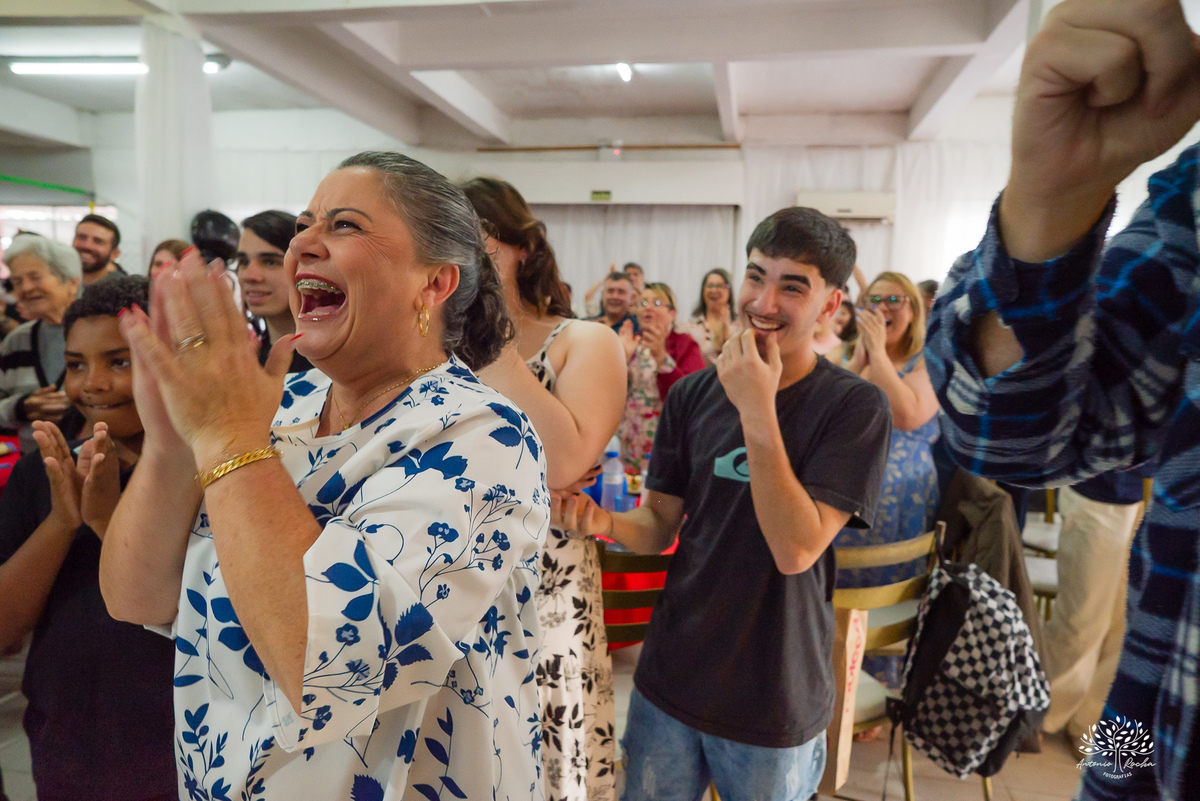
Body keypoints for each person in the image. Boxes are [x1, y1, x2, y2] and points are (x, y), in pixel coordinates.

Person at [99, 151, 549, 800]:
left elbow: (328, 666)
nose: (303, 244)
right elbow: (133, 597)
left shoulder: (480, 435)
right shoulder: (277, 404)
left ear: (435, 282)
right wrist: (175, 443)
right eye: (305, 223)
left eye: (343, 225)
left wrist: (226, 437)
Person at [922, 1, 1200, 797]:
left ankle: (1082, 719)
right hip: (1102, 500)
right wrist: (1047, 198)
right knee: (1089, 621)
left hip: (1129, 509)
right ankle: (1066, 717)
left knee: (1112, 627)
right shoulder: (1193, 202)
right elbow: (1017, 433)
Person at [555, 207, 891, 801]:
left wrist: (757, 407)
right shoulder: (691, 395)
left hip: (775, 689)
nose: (763, 301)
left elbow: (796, 549)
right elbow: (660, 523)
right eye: (756, 276)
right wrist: (603, 520)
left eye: (793, 286)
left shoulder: (854, 408)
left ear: (830, 305)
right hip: (672, 675)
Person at [462, 176, 627, 801]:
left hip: (545, 583)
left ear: (521, 249)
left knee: (549, 757)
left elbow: (563, 464)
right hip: (448, 576)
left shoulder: (584, 340)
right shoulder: (424, 348)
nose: (459, 259)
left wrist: (486, 334)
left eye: (476, 242)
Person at [0, 275, 176, 801]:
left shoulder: (203, 475)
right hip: (68, 742)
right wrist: (61, 520)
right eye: (76, 364)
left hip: (180, 747)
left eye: (119, 362)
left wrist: (111, 519)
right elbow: (6, 627)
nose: (92, 384)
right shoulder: (45, 472)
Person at [838, 272, 940, 689]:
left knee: (883, 585)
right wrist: (861, 359)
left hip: (904, 493)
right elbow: (829, 413)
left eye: (893, 300)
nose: (882, 309)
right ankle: (831, 675)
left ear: (913, 310)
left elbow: (910, 414)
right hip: (848, 489)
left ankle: (876, 685)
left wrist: (878, 355)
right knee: (841, 582)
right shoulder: (856, 357)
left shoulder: (927, 360)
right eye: (873, 301)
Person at [1042, 470, 1147, 742]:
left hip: (1159, 498)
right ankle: (1042, 716)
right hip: (1100, 489)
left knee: (1125, 625)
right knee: (1081, 621)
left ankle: (1089, 723)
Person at [0, 234, 82, 450]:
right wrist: (20, 408)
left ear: (71, 283)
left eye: (35, 277)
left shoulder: (99, 336)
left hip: (98, 468)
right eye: (17, 281)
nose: (25, 288)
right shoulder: (17, 342)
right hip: (33, 472)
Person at [618, 282, 705, 473]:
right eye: (642, 303)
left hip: (667, 440)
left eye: (657, 303)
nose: (648, 307)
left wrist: (661, 357)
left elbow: (692, 399)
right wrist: (621, 358)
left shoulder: (685, 344)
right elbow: (612, 395)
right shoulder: (630, 342)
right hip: (630, 438)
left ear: (672, 314)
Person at [236, 210, 313, 374]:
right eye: (243, 261)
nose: (249, 276)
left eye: (270, 261)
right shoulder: (245, 359)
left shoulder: (329, 368)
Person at [683, 268, 740, 366]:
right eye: (709, 286)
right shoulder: (689, 328)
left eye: (719, 286)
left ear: (729, 290)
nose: (714, 290)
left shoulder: (740, 327)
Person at [72, 214, 124, 286]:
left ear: (114, 253)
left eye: (98, 241)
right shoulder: (59, 281)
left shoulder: (123, 291)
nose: (87, 246)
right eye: (81, 237)